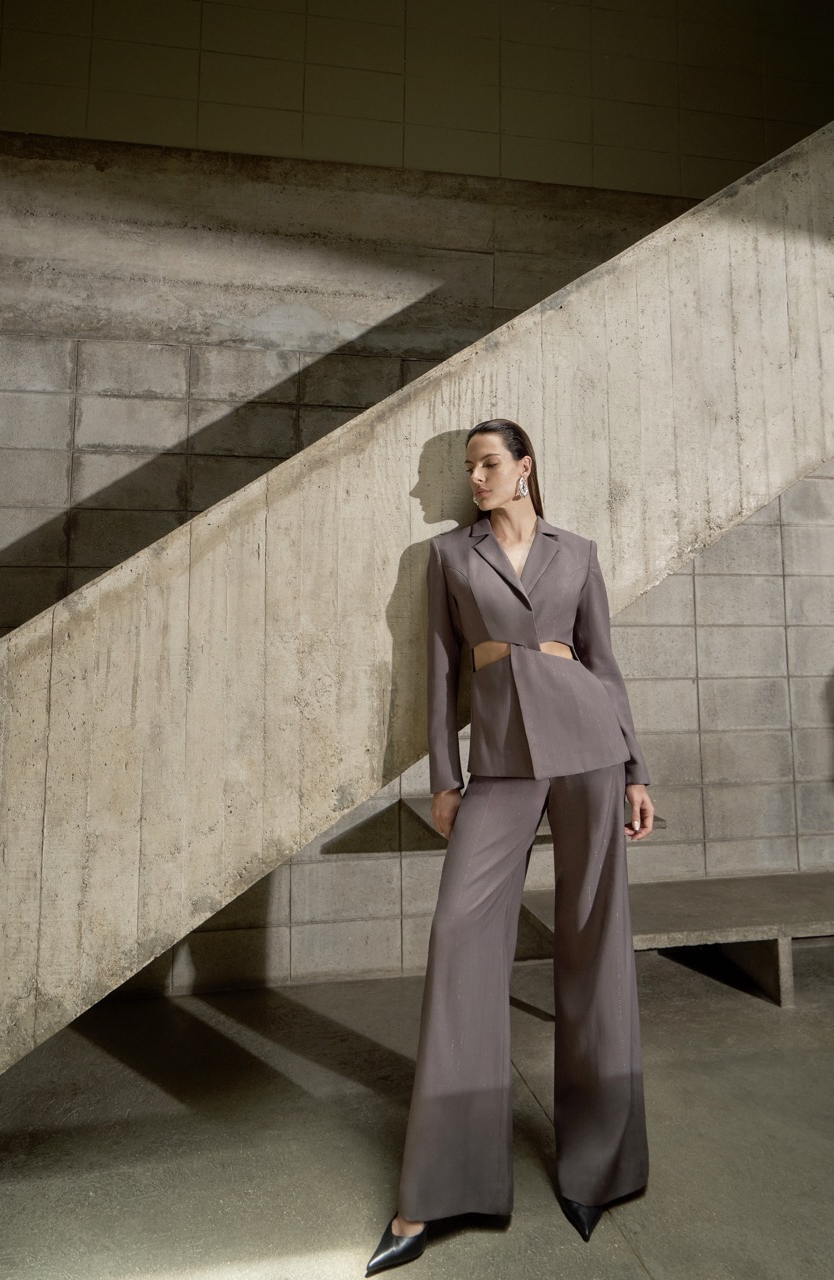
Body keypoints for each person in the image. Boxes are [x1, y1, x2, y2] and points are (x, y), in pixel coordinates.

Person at [366, 419, 655, 1275]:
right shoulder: (449, 557)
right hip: (499, 761)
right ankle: (438, 1190)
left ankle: (599, 1167)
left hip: (589, 745)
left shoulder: (578, 552)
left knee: (594, 943)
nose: (475, 478)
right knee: (460, 933)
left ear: (525, 468)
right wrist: (444, 779)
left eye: (489, 463)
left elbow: (604, 664)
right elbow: (438, 670)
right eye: (469, 467)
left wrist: (635, 769)